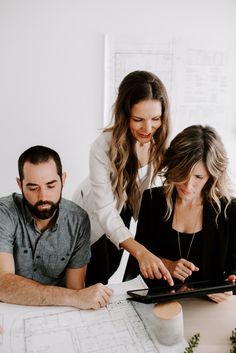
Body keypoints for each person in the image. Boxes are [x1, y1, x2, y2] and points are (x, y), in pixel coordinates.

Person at [73, 70, 173, 286]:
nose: (148, 129)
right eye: (138, 119)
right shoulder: (103, 146)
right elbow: (105, 210)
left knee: (112, 270)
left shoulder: (162, 140)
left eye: (155, 118)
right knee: (94, 278)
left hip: (125, 207)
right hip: (94, 214)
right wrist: (140, 252)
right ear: (124, 114)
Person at [125, 125, 236, 303]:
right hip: (159, 304)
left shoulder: (229, 210)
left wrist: (228, 285)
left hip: (206, 307)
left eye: (198, 177)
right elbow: (137, 260)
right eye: (182, 173)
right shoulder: (153, 201)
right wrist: (167, 265)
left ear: (212, 177)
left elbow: (233, 268)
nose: (187, 185)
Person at [0, 145, 113, 310]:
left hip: (58, 311)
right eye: (33, 188)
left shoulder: (78, 221)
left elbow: (75, 288)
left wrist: (76, 297)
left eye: (51, 185)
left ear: (63, 180)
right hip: (10, 310)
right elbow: (3, 284)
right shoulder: (4, 213)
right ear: (20, 184)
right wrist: (74, 297)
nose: (43, 196)